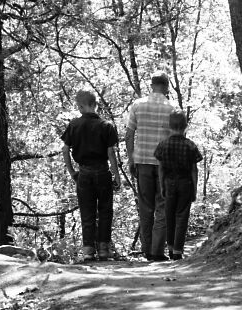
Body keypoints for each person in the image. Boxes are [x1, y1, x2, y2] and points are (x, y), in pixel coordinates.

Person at [60, 89, 120, 262]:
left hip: (84, 173)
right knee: (105, 211)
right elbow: (111, 153)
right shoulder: (106, 126)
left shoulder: (74, 125)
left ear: (79, 107)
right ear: (96, 105)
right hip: (102, 172)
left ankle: (88, 251)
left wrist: (72, 172)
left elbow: (65, 149)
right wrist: (116, 176)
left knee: (87, 212)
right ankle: (103, 250)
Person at [124, 71, 174, 261]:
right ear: (167, 87)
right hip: (163, 165)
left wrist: (131, 159)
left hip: (142, 162)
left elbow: (129, 135)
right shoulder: (172, 108)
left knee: (145, 207)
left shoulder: (138, 105)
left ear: (151, 85)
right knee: (162, 206)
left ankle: (147, 250)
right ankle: (157, 251)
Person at [154, 110, 202, 261]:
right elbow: (194, 170)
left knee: (169, 216)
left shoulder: (163, 145)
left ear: (169, 126)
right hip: (185, 183)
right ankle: (177, 251)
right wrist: (194, 188)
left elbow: (160, 168)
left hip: (169, 183)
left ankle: (169, 248)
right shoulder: (190, 146)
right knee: (182, 217)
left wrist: (162, 186)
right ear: (185, 126)